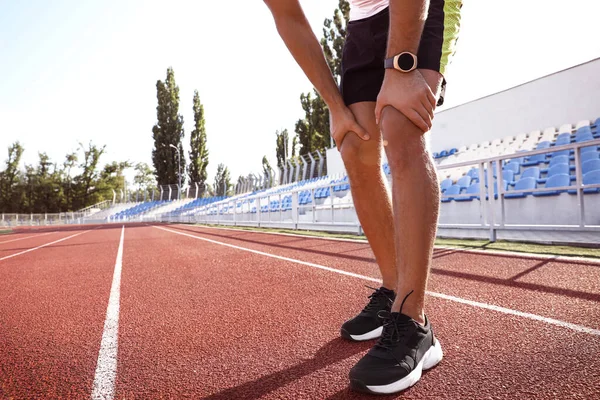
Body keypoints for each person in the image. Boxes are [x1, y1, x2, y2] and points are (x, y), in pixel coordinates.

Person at [264, 0, 462, 394]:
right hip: (363, 22)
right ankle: (392, 288)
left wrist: (402, 67)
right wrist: (335, 107)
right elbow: (287, 15)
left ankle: (413, 323)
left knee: (401, 125)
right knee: (354, 145)